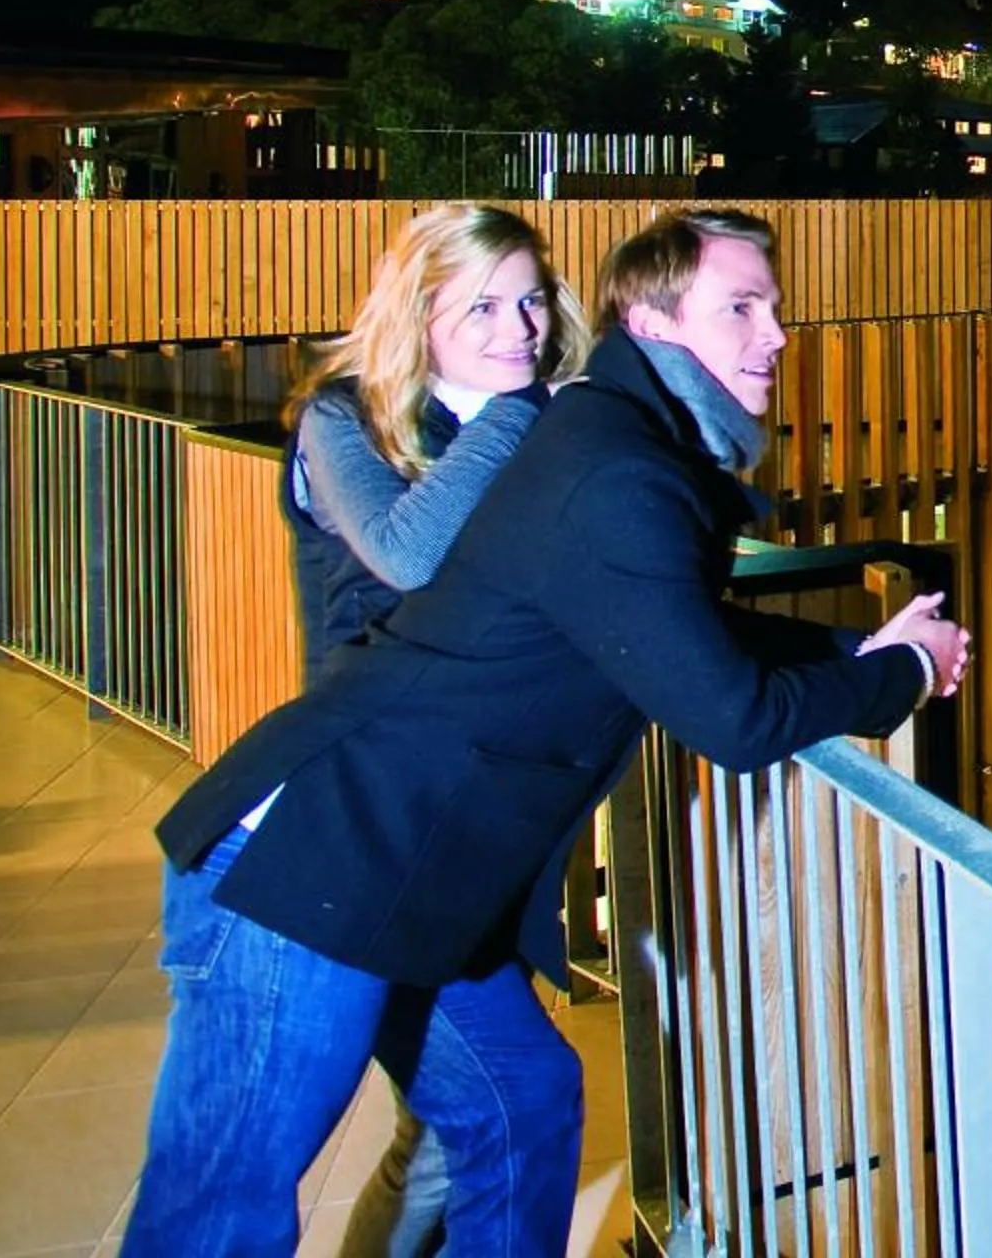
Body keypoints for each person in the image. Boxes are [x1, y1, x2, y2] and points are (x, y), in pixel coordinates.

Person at [126, 209, 968, 1257]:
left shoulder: (611, 442)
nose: (778, 333)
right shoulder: (602, 460)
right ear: (653, 324)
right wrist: (900, 672)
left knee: (521, 1100)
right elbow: (734, 719)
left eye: (775, 306)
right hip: (312, 858)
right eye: (743, 307)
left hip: (408, 857)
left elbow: (651, 620)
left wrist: (857, 651)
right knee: (221, 1212)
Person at [282, 205, 589, 1258]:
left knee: (448, 1130)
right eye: (484, 307)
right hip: (374, 822)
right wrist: (528, 409)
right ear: (417, 315)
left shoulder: (539, 421)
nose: (521, 329)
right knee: (492, 1108)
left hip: (482, 819)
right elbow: (406, 553)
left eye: (532, 301)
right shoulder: (340, 421)